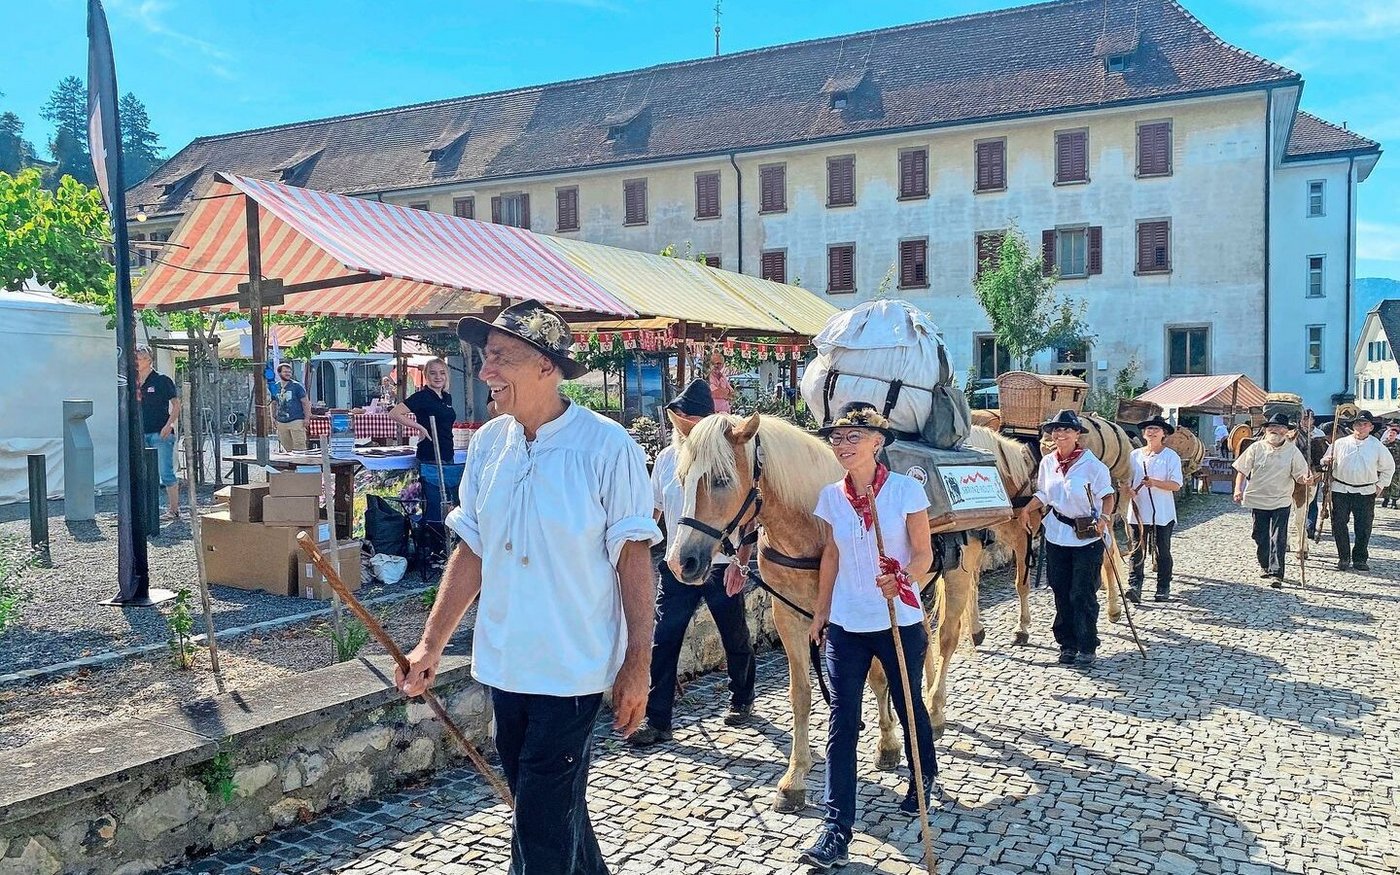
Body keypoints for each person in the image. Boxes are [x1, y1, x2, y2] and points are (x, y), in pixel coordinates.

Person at [397, 300, 661, 875]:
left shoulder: (607, 447)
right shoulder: (490, 444)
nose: (485, 372)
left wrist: (638, 662)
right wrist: (431, 643)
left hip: (574, 666)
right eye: (485, 358)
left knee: (538, 822)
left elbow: (634, 560)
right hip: (505, 661)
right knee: (548, 804)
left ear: (546, 366)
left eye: (500, 358)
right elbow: (473, 551)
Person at [798, 401, 937, 870]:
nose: (842, 445)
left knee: (906, 702)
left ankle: (924, 774)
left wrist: (901, 579)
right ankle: (836, 828)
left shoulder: (903, 492)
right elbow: (832, 556)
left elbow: (924, 556)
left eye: (852, 437)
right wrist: (820, 614)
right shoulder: (831, 497)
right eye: (836, 438)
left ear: (877, 443)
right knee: (841, 720)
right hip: (846, 625)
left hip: (898, 620)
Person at [629, 379, 756, 747]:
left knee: (734, 635)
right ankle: (657, 720)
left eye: (692, 420)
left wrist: (741, 564)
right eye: (680, 420)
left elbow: (747, 519)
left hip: (720, 564)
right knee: (664, 640)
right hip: (677, 566)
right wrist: (632, 552)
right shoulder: (667, 460)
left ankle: (742, 696)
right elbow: (652, 511)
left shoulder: (724, 458)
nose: (684, 427)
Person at [1017, 409, 1114, 668]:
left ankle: (1086, 645)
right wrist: (1027, 508)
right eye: (1056, 430)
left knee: (1082, 593)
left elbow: (1108, 495)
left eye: (1066, 430)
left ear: (1077, 435)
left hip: (1087, 537)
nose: (1060, 434)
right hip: (1058, 535)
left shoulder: (1093, 465)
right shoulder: (1048, 463)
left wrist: (1104, 518)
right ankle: (1067, 644)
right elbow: (1045, 494)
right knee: (1060, 590)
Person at [1232, 414, 1314, 586]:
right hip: (1258, 498)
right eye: (1271, 427)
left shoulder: (1292, 451)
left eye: (1279, 427)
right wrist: (1238, 489)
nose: (1274, 430)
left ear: (1286, 431)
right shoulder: (1256, 448)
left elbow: (1300, 475)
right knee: (1259, 535)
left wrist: (1305, 480)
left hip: (1281, 499)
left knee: (1279, 537)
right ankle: (1265, 565)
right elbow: (1242, 470)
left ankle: (1277, 573)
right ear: (1266, 430)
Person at [389, 358, 459, 555]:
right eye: (433, 373)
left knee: (450, 502)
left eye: (442, 373)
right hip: (430, 454)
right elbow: (395, 413)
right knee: (435, 504)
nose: (438, 377)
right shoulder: (423, 397)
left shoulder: (447, 398)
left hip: (447, 453)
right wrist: (419, 427)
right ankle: (433, 549)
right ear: (427, 376)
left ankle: (448, 545)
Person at [1321, 410, 1395, 571]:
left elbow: (1389, 467)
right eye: (1358, 424)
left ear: (1370, 427)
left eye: (1364, 424)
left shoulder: (1377, 446)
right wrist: (1326, 461)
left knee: (1363, 526)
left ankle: (1360, 558)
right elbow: (1325, 461)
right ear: (1353, 426)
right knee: (1339, 524)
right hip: (1341, 489)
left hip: (1366, 491)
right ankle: (1344, 557)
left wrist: (1380, 485)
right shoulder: (1340, 444)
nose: (1361, 427)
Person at [1126, 416, 1183, 604]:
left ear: (1163, 434)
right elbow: (1126, 480)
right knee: (1136, 550)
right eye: (1148, 429)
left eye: (1156, 429)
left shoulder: (1170, 457)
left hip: (1162, 513)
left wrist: (1155, 483)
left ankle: (1163, 587)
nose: (1151, 432)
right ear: (1143, 433)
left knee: (1162, 551)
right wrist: (1126, 489)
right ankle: (1135, 586)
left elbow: (1176, 485)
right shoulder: (1134, 456)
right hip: (1138, 512)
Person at [134, 345, 183, 522]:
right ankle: (146, 510)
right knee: (143, 473)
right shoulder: (134, 382)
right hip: (141, 433)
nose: (137, 362)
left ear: (149, 360)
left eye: (139, 359)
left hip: (160, 433)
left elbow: (176, 404)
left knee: (166, 471)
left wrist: (169, 425)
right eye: (136, 359)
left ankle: (174, 510)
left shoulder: (162, 380)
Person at [272, 362, 311, 451]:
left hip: (296, 420)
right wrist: (273, 417)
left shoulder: (297, 386)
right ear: (279, 373)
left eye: (289, 372)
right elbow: (273, 403)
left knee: (300, 447)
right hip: (281, 421)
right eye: (285, 372)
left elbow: (305, 402)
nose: (288, 374)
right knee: (287, 448)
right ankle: (291, 465)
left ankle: (301, 464)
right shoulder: (275, 387)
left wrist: (307, 418)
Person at [1382, 422, 1400, 509]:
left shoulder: (1398, 444)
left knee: (1395, 485)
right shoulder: (1383, 444)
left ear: (1396, 435)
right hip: (1385, 468)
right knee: (1385, 484)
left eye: (1393, 434)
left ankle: (1394, 501)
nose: (1391, 435)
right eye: (1390, 433)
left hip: (1397, 468)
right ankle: (1386, 499)